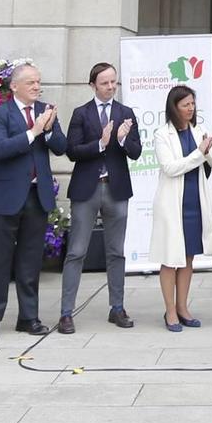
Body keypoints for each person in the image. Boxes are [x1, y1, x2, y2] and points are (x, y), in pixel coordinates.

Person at [0, 61, 62, 342]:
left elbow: (61, 147)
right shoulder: (0, 114)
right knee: (0, 262)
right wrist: (33, 133)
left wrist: (49, 130)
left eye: (39, 82)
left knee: (30, 262)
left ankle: (28, 317)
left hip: (37, 198)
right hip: (5, 199)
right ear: (15, 86)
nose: (37, 87)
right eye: (31, 83)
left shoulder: (45, 111)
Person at [59, 62, 143, 334]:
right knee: (77, 251)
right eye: (105, 82)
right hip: (87, 188)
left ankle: (117, 307)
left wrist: (120, 140)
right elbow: (71, 151)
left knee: (116, 252)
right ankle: (66, 313)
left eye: (113, 82)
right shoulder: (81, 113)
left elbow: (136, 152)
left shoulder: (125, 113)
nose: (110, 87)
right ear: (93, 84)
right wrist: (101, 143)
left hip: (116, 189)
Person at [151, 84, 212, 331]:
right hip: (173, 204)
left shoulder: (199, 130)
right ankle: (170, 311)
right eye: (185, 105)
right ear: (174, 107)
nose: (190, 108)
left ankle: (183, 307)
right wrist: (198, 153)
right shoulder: (162, 134)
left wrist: (208, 149)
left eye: (192, 103)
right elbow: (171, 168)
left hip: (194, 202)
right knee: (170, 259)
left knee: (189, 256)